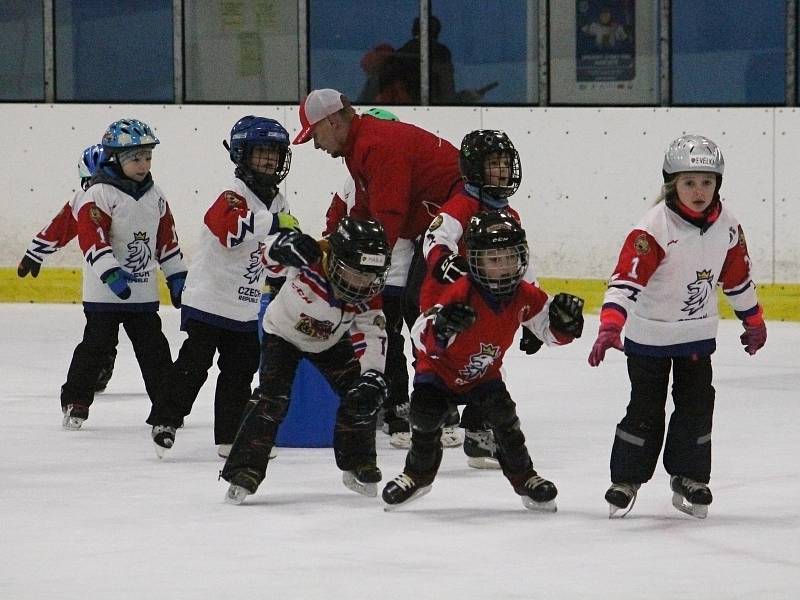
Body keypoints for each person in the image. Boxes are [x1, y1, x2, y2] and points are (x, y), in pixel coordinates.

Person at [588, 134, 767, 519]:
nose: (699, 191)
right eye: (689, 183)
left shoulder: (729, 225)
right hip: (649, 337)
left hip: (696, 336)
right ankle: (626, 479)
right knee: (645, 409)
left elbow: (737, 278)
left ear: (718, 183)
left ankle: (690, 476)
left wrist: (753, 320)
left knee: (697, 408)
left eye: (707, 182)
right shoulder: (653, 227)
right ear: (672, 184)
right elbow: (625, 282)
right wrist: (609, 326)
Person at [381, 210, 585, 511]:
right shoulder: (457, 290)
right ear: (476, 260)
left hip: (483, 375)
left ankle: (525, 477)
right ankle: (417, 474)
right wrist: (443, 327)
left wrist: (565, 324)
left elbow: (548, 333)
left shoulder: (524, 294)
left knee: (504, 418)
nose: (503, 268)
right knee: (424, 416)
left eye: (510, 258)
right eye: (494, 259)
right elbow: (420, 335)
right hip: (438, 372)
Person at [293, 88, 463, 447]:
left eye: (315, 135)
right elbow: (365, 211)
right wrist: (337, 245)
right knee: (416, 310)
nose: (316, 145)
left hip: (457, 222)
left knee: (423, 309)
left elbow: (388, 217)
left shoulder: (376, 144)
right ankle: (435, 402)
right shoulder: (360, 146)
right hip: (439, 224)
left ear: (332, 121)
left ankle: (449, 405)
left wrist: (358, 266)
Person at [146, 116, 301, 459]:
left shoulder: (279, 203)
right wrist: (273, 223)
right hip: (208, 301)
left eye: (274, 153)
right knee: (193, 364)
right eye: (261, 152)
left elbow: (275, 254)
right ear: (242, 155)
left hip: (244, 308)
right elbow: (230, 233)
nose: (269, 160)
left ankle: (230, 437)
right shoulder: (233, 195)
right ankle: (165, 422)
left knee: (240, 373)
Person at [220, 217, 390, 505]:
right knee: (271, 400)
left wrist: (372, 374)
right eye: (355, 274)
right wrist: (283, 245)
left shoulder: (366, 296)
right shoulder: (309, 258)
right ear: (335, 260)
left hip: (329, 343)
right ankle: (243, 471)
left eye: (369, 276)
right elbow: (266, 257)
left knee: (360, 395)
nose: (362, 284)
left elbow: (373, 333)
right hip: (282, 335)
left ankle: (357, 463)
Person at [421, 129, 544, 468]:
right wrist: (444, 261)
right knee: (447, 365)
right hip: (450, 305)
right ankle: (435, 423)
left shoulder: (509, 215)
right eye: (494, 164)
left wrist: (534, 318)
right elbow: (435, 239)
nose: (502, 171)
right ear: (474, 168)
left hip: (491, 305)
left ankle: (476, 432)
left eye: (505, 163)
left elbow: (522, 265)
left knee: (488, 363)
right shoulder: (461, 204)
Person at [61, 118, 187, 430]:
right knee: (96, 346)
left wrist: (176, 275)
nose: (143, 165)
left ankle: (166, 406)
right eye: (135, 158)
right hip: (104, 293)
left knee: (154, 349)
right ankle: (76, 400)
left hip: (142, 293)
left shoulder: (155, 195)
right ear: (115, 158)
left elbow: (166, 239)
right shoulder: (99, 194)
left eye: (147, 157)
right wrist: (109, 273)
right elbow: (92, 237)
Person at [18, 144, 118, 393]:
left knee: (146, 339)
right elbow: (60, 226)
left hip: (136, 280)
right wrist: (35, 252)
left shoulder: (136, 197)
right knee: (100, 332)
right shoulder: (83, 201)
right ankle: (100, 367)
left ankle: (161, 385)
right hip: (99, 283)